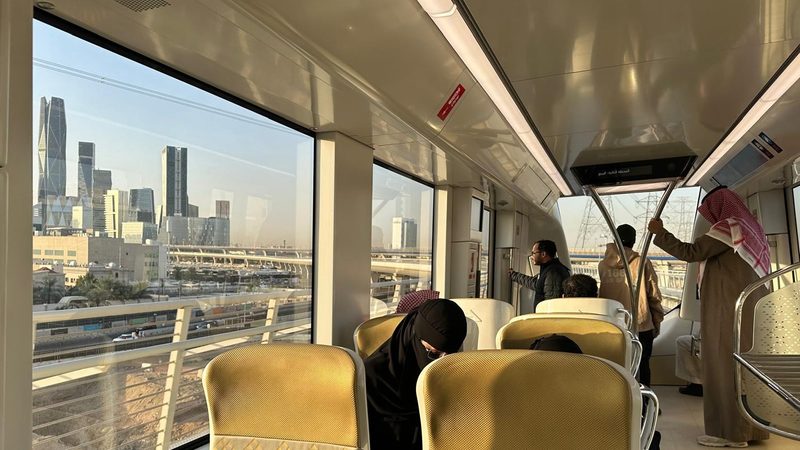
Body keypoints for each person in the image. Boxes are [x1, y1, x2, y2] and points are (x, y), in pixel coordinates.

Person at [649, 186, 770, 447]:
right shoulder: (753, 229)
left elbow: (691, 253)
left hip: (726, 308)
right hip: (748, 309)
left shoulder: (730, 227)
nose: (711, 217)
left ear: (719, 206)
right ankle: (752, 431)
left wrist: (660, 233)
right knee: (744, 372)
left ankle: (729, 434)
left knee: (722, 368)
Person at [363, 299, 467, 450]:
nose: (441, 364)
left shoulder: (456, 373)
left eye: (450, 355)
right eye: (434, 353)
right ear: (413, 337)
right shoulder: (371, 379)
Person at [598, 224, 665, 387]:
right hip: (640, 324)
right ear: (634, 241)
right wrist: (656, 319)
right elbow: (653, 294)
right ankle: (643, 405)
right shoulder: (642, 262)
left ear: (614, 239)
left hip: (613, 324)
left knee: (616, 366)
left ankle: (620, 404)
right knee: (642, 366)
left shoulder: (603, 265)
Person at [510, 240, 571, 310]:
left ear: (543, 254)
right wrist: (514, 275)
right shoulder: (549, 270)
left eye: (533, 253)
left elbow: (551, 302)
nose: (531, 256)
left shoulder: (553, 272)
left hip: (546, 318)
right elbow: (537, 284)